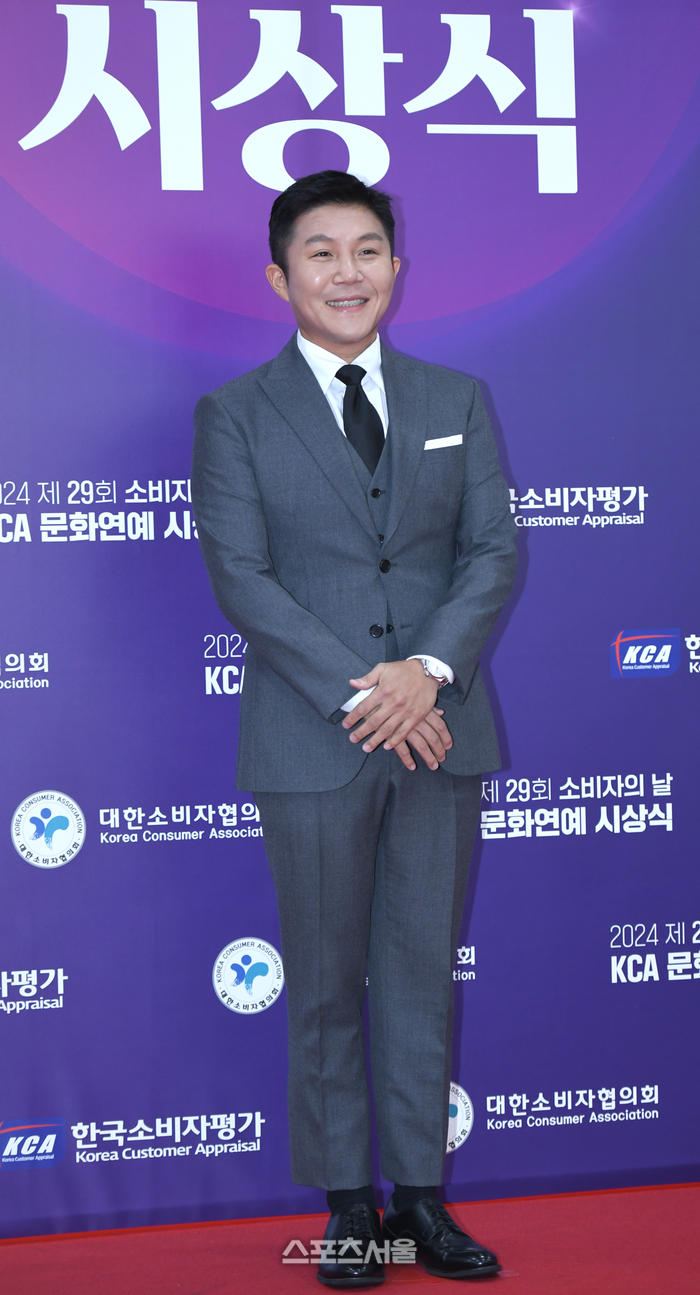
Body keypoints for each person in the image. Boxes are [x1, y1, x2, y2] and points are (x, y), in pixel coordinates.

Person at [192, 170, 517, 1286]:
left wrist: (426, 673)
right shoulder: (235, 414)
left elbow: (491, 552)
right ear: (280, 275)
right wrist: (364, 693)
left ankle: (421, 1198)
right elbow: (242, 578)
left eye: (367, 249)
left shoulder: (456, 398)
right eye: (321, 252)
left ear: (395, 267)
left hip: (439, 730)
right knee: (326, 979)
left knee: (421, 969)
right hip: (311, 739)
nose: (347, 271)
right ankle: (346, 1205)